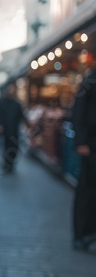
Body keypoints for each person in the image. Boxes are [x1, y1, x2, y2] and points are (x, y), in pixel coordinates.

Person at [71, 67, 96, 251]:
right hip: (90, 145)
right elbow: (78, 111)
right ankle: (81, 234)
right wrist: (81, 141)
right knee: (86, 191)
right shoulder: (90, 79)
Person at [0, 82, 27, 173]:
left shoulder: (17, 104)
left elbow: (21, 116)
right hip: (6, 130)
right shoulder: (2, 102)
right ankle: (6, 164)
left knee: (14, 148)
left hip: (14, 130)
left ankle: (10, 164)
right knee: (6, 147)